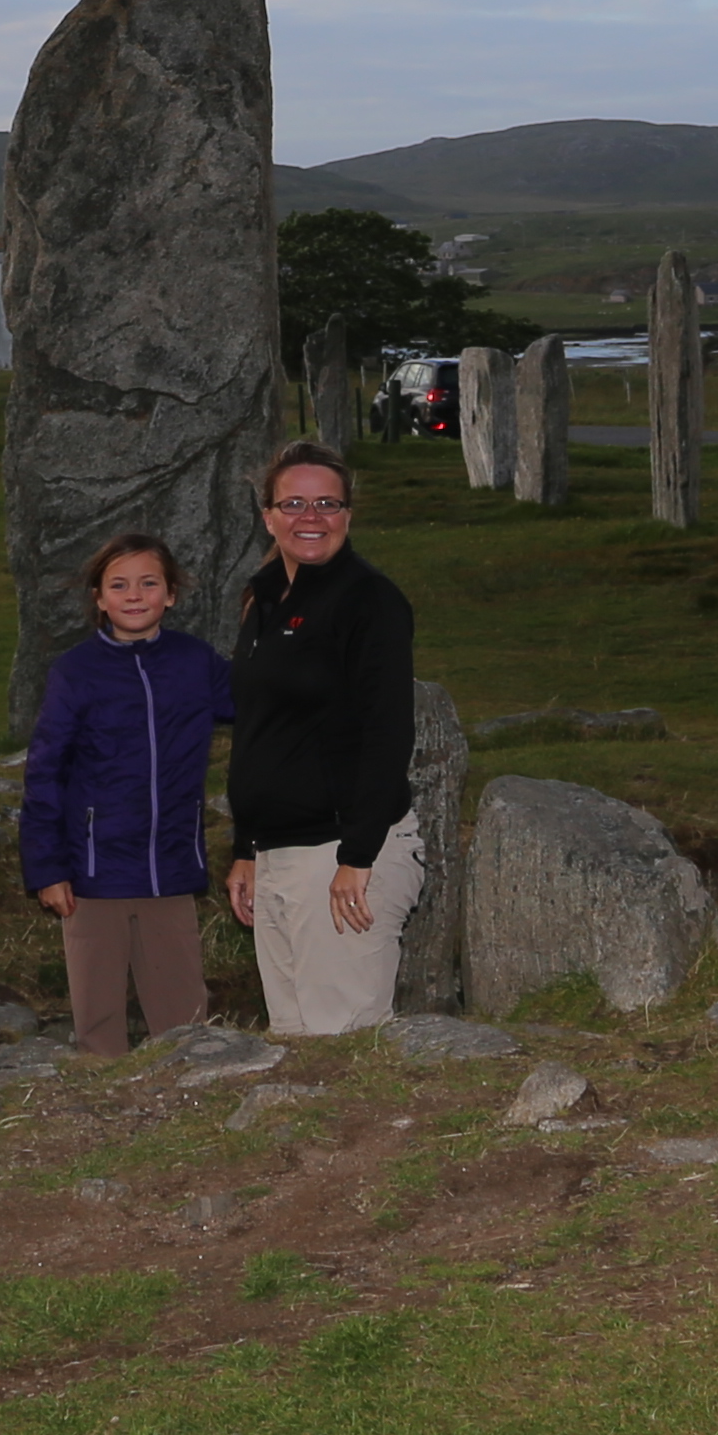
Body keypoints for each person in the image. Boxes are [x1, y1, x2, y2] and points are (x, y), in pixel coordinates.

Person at [222, 439, 422, 1037]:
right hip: (276, 855)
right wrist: (246, 847)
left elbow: (389, 731)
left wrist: (357, 857)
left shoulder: (370, 601)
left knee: (343, 1045)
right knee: (291, 1041)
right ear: (268, 515)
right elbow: (260, 729)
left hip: (341, 855)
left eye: (328, 504)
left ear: (348, 515)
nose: (311, 519)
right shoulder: (262, 597)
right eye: (295, 504)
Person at [21, 532, 234, 1058]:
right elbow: (45, 772)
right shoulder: (75, 671)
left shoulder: (195, 662)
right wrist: (47, 868)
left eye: (148, 583)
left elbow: (264, 703)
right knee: (98, 1018)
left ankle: (186, 1108)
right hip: (94, 877)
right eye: (118, 585)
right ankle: (104, 1115)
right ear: (98, 598)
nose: (134, 595)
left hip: (172, 868)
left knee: (183, 1016)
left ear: (172, 594)